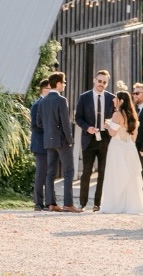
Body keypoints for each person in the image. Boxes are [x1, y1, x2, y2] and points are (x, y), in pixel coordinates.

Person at [98, 89, 143, 215]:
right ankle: (129, 203)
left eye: (115, 98)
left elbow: (113, 133)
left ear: (120, 101)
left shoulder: (117, 114)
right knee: (129, 176)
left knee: (116, 175)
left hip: (117, 147)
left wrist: (107, 126)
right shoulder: (132, 114)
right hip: (130, 147)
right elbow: (134, 136)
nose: (113, 100)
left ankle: (116, 204)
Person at [38, 71, 77, 213]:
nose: (65, 85)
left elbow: (39, 122)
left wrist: (49, 131)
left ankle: (51, 203)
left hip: (48, 140)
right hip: (61, 140)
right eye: (64, 82)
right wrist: (70, 139)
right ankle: (68, 204)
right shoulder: (61, 100)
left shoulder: (43, 101)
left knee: (50, 172)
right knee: (68, 171)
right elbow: (65, 123)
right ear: (59, 83)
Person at [76, 68, 115, 211]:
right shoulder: (84, 97)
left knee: (103, 172)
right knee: (86, 172)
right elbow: (78, 118)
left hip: (105, 138)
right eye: (99, 81)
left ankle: (98, 203)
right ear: (94, 80)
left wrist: (110, 124)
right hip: (89, 138)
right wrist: (88, 128)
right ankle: (82, 203)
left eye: (104, 82)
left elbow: (116, 117)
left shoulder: (112, 98)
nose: (101, 84)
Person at [29, 77, 51, 211]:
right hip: (40, 144)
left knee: (50, 174)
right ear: (44, 90)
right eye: (50, 89)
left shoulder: (49, 103)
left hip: (49, 143)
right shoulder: (37, 104)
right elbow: (35, 125)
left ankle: (49, 202)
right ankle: (38, 202)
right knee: (41, 174)